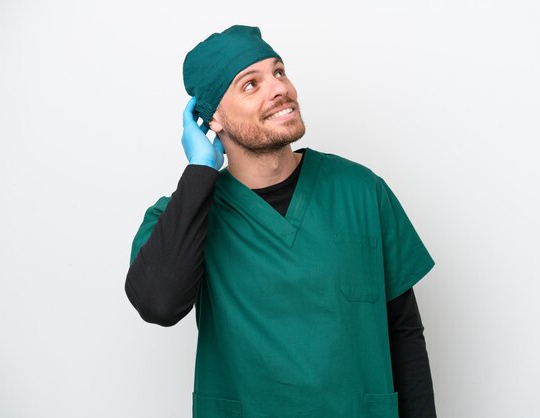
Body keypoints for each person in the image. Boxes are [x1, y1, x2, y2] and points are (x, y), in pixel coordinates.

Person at [125, 24, 437, 418]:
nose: (279, 89)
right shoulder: (183, 216)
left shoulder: (361, 191)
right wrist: (200, 172)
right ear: (212, 118)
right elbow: (158, 304)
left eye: (278, 71)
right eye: (250, 85)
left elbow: (403, 331)